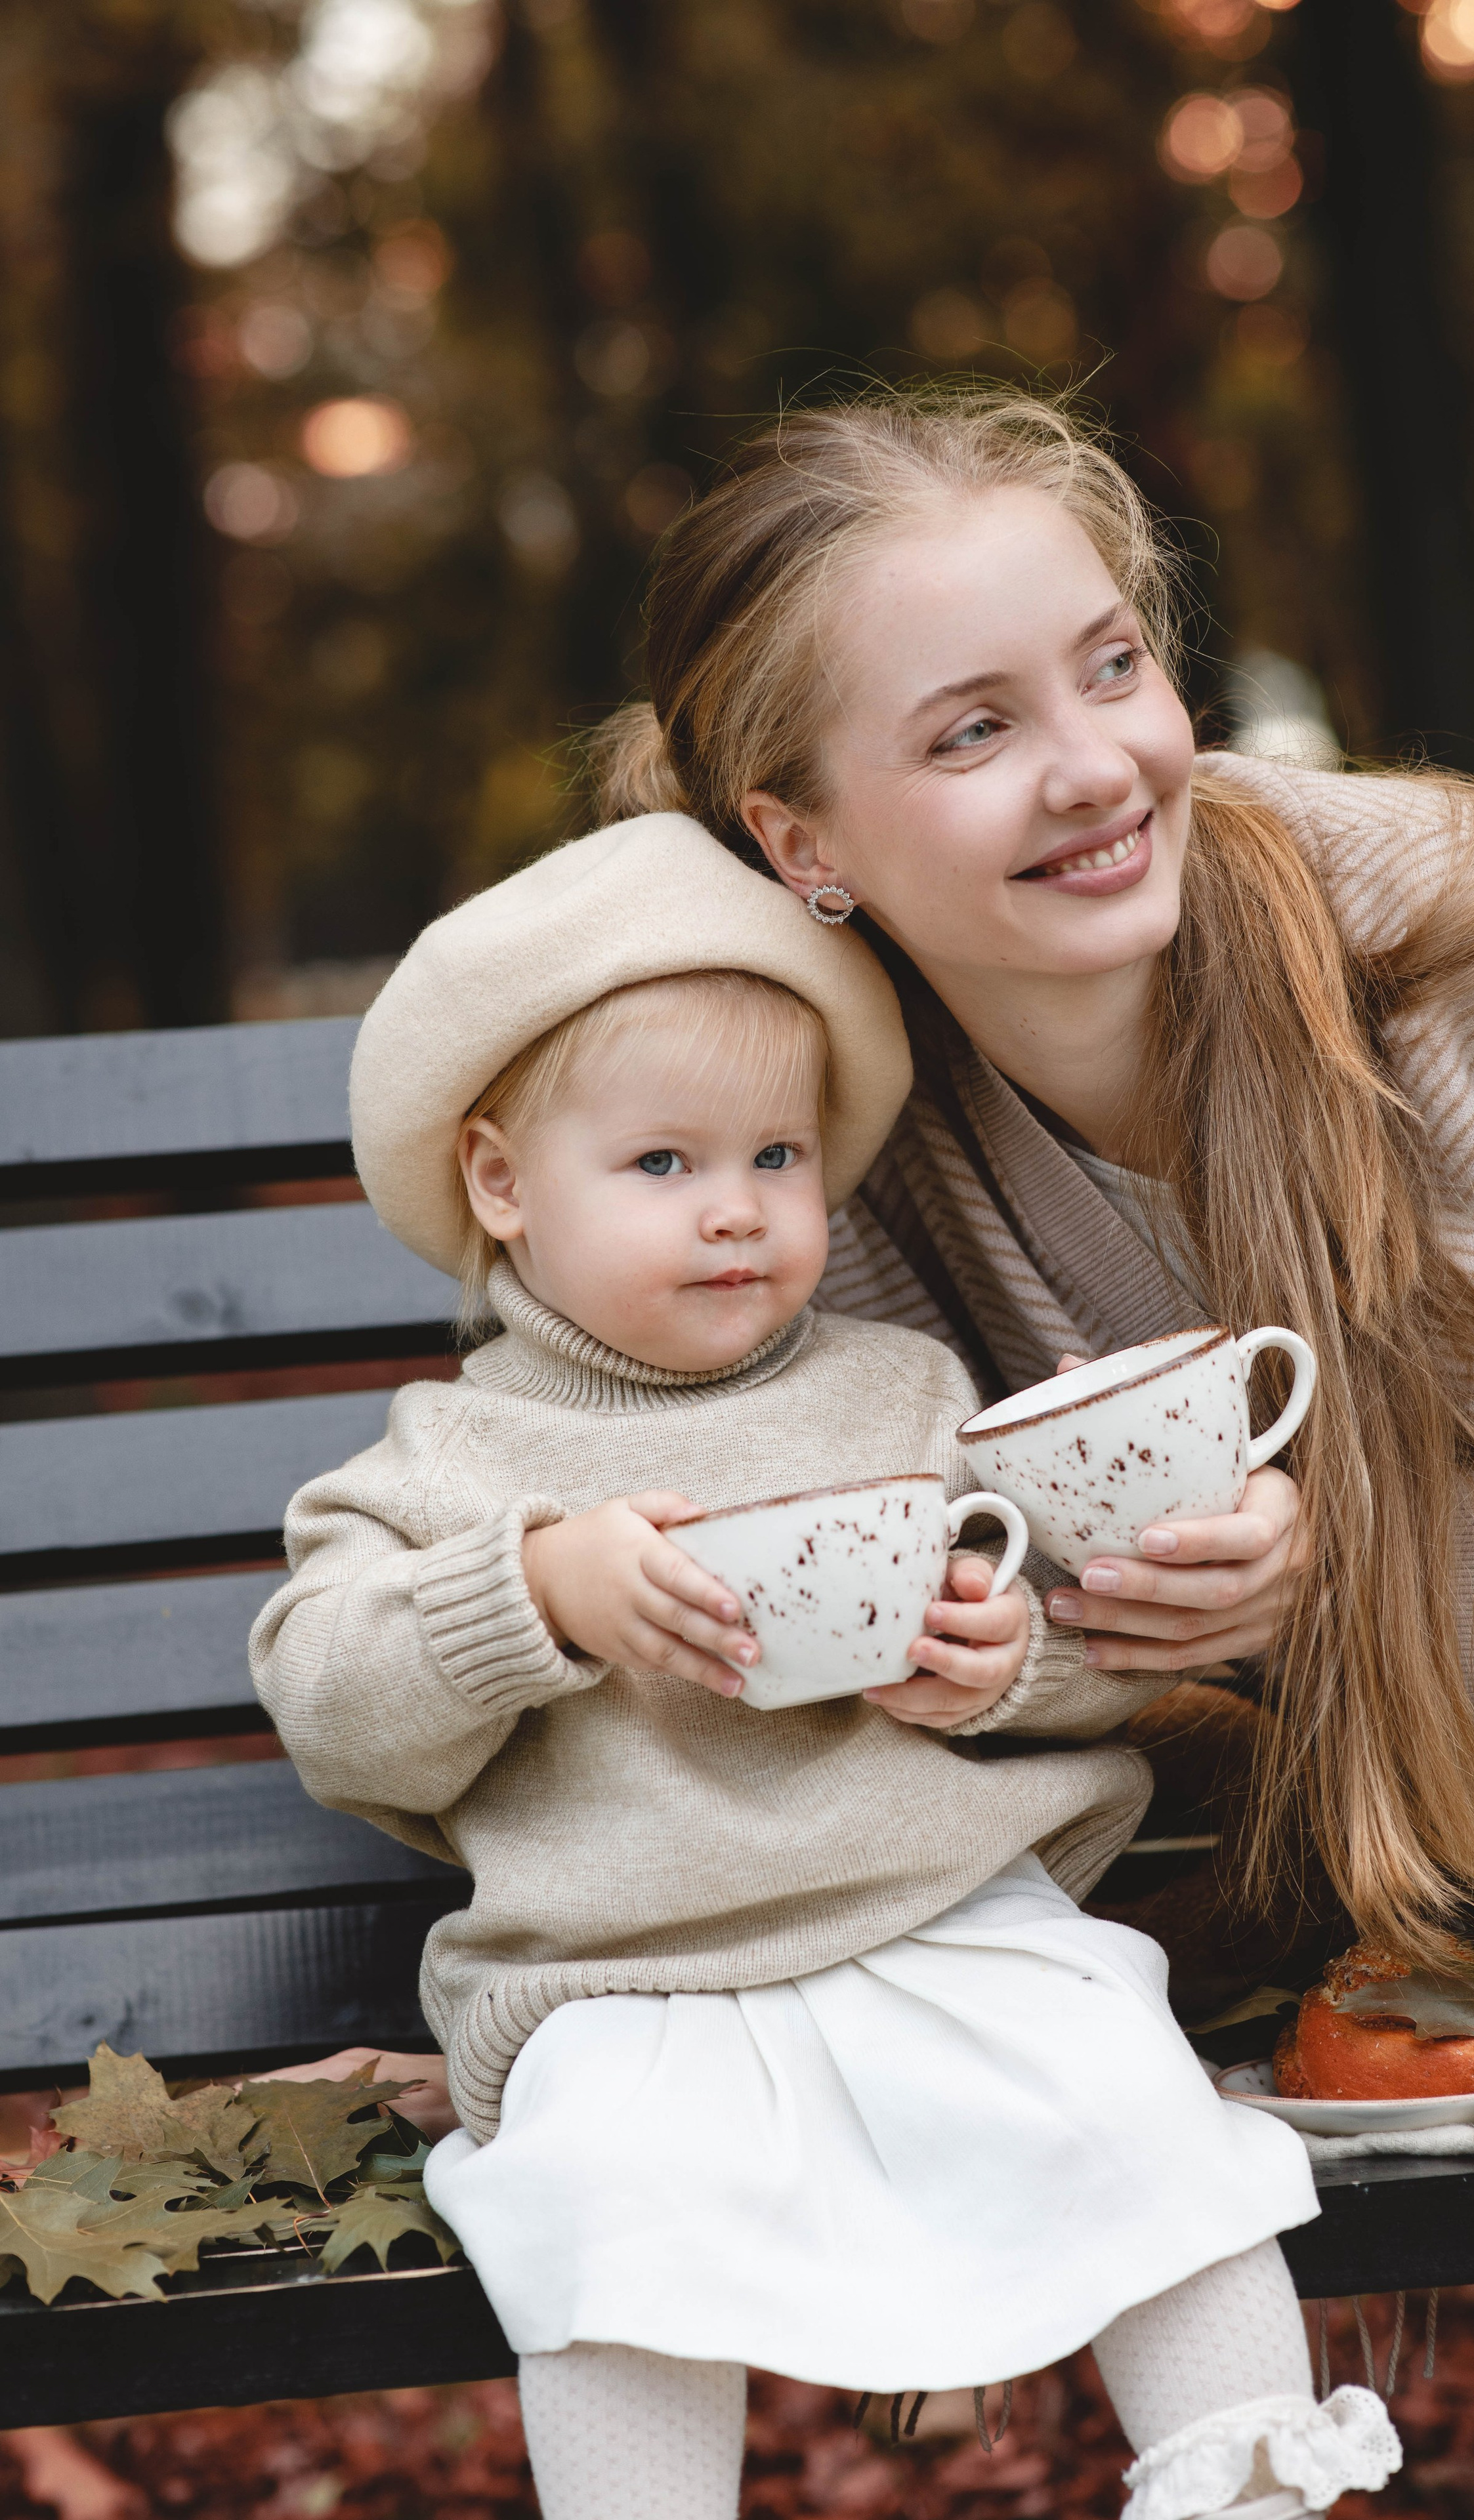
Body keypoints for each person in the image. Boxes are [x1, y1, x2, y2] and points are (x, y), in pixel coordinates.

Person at [250, 823, 1399, 2520]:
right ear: (501, 1183)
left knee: (1133, 2107)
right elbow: (332, 1706)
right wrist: (535, 1594)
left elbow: (1071, 1624)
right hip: (622, 1980)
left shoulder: (898, 1390)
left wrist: (1001, 1664)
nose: (735, 1208)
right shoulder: (446, 1463)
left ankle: (1250, 2491)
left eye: (776, 1155)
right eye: (661, 1162)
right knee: (607, 2213)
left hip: (939, 1919)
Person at [592, 383, 1474, 1961]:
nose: (1096, 767)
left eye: (1111, 667)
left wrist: (1347, 1565)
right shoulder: (816, 1146)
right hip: (1456, 1904)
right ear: (800, 843)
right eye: (973, 730)